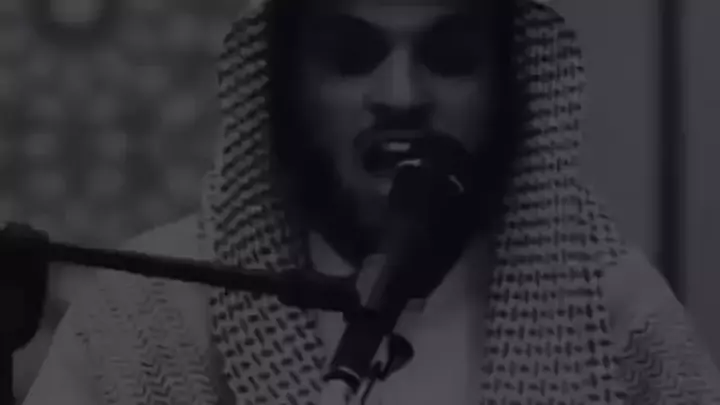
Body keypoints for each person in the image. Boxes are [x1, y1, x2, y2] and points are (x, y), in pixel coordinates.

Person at [22, 0, 720, 404]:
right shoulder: (151, 319)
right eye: (351, 56)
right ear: (286, 86)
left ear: (509, 88)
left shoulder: (614, 317)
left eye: (450, 57)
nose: (401, 97)